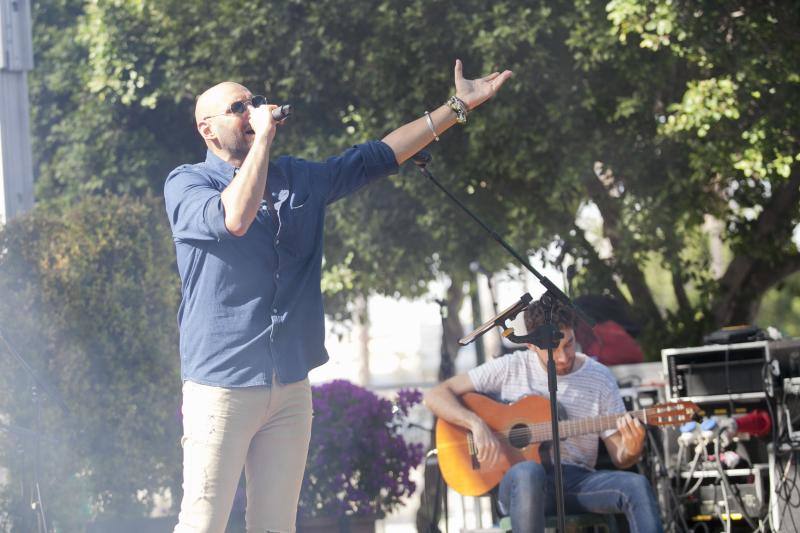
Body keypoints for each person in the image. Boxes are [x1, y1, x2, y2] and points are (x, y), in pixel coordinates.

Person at [163, 60, 512, 533]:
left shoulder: (297, 178)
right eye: (237, 107)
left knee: (276, 525)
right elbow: (235, 219)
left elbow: (376, 156)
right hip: (221, 384)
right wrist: (262, 139)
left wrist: (457, 107)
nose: (252, 111)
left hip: (289, 383)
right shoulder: (187, 183)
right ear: (207, 129)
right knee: (203, 523)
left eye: (254, 102)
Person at [424, 297, 663, 533]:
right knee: (530, 471)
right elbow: (435, 395)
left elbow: (620, 458)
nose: (563, 357)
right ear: (530, 345)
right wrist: (476, 425)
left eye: (568, 344)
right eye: (553, 350)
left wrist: (631, 450)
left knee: (636, 485)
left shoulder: (599, 377)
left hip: (576, 482)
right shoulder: (510, 367)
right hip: (518, 483)